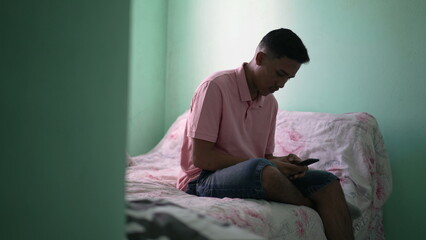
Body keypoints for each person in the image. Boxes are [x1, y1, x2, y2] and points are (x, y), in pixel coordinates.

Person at [177, 28, 354, 240]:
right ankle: (312, 206)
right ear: (260, 58)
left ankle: (319, 198)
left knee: (328, 182)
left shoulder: (270, 103)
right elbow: (202, 157)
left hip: (253, 172)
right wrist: (267, 164)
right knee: (265, 171)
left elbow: (265, 158)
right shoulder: (215, 87)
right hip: (203, 178)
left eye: (289, 78)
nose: (282, 84)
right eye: (280, 74)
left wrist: (285, 163)